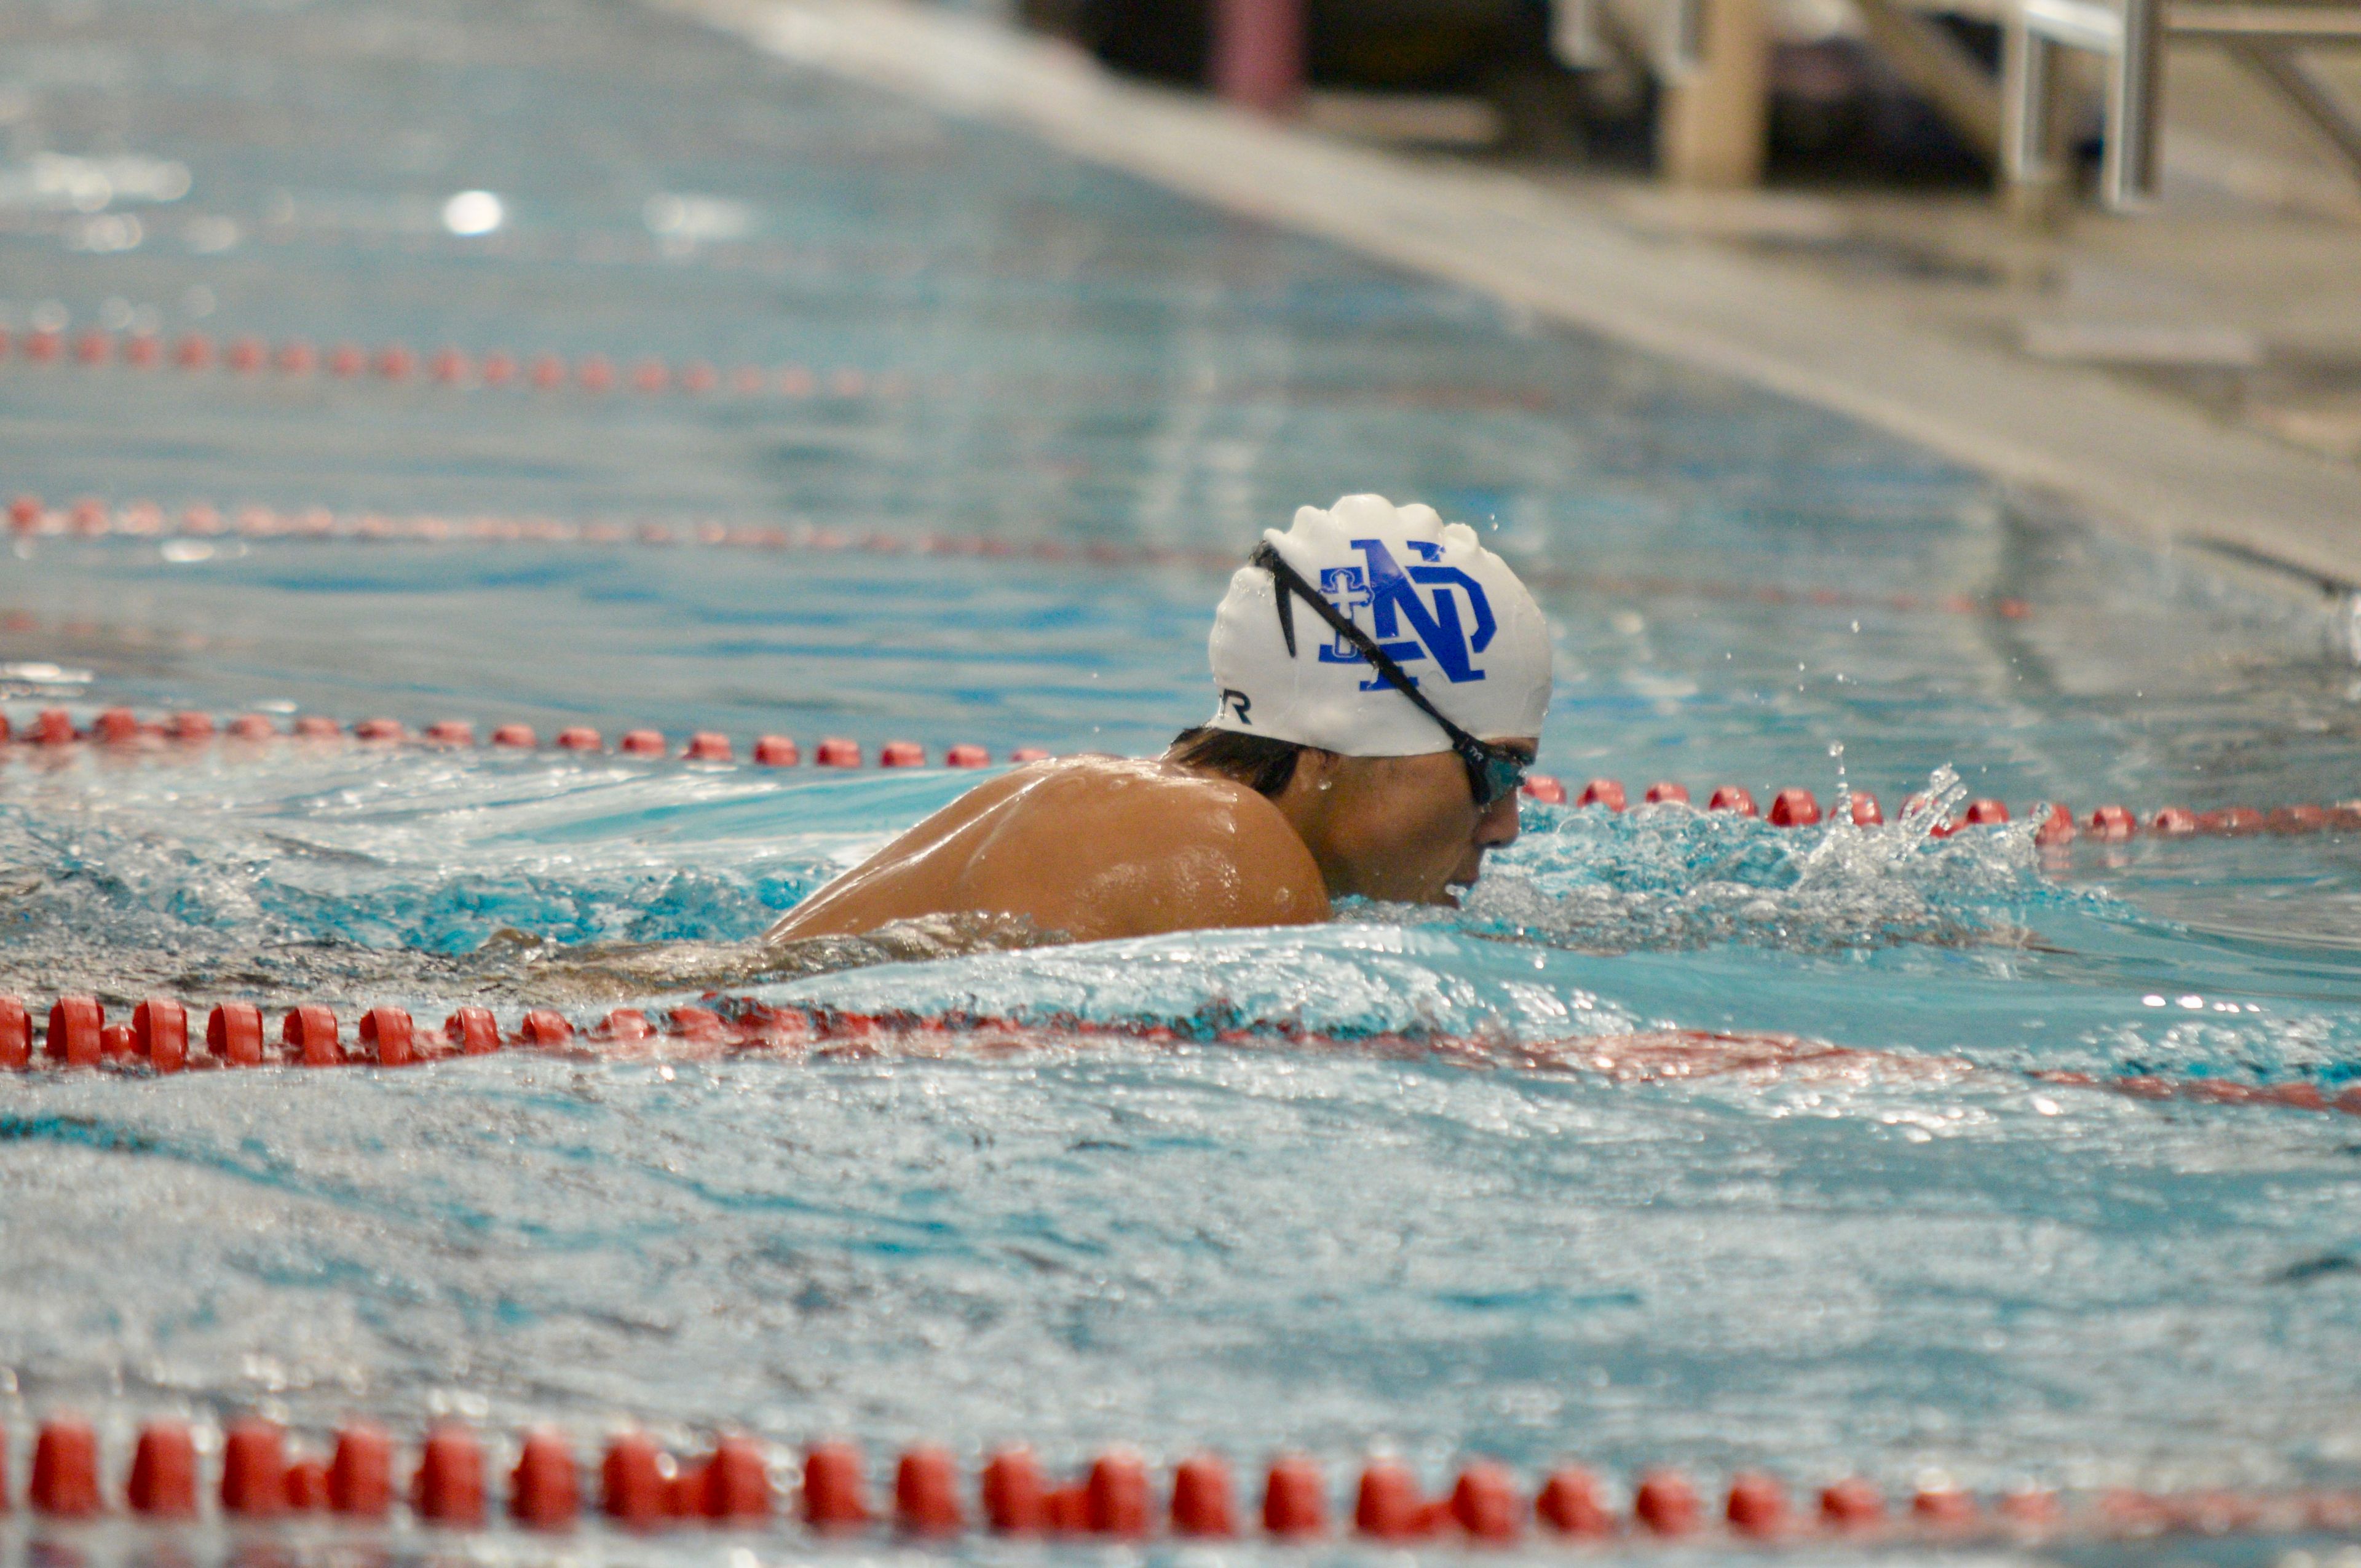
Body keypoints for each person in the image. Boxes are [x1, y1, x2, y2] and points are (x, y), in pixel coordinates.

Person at [764, 494, 1553, 948]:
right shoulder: (1219, 850)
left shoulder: (1132, 807)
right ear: (1334, 740)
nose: (1507, 824)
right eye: (1494, 772)